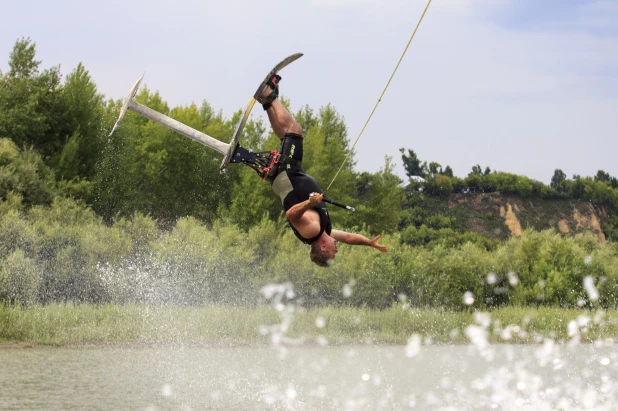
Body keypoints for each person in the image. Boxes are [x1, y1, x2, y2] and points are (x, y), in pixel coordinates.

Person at [256, 75, 388, 267]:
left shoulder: (312, 230)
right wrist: (368, 242)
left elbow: (292, 215)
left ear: (324, 249)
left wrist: (310, 203)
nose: (337, 249)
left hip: (289, 176)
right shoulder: (322, 230)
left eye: (334, 253)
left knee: (295, 130)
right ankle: (266, 102)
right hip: (289, 176)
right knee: (286, 136)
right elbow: (349, 237)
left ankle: (268, 94)